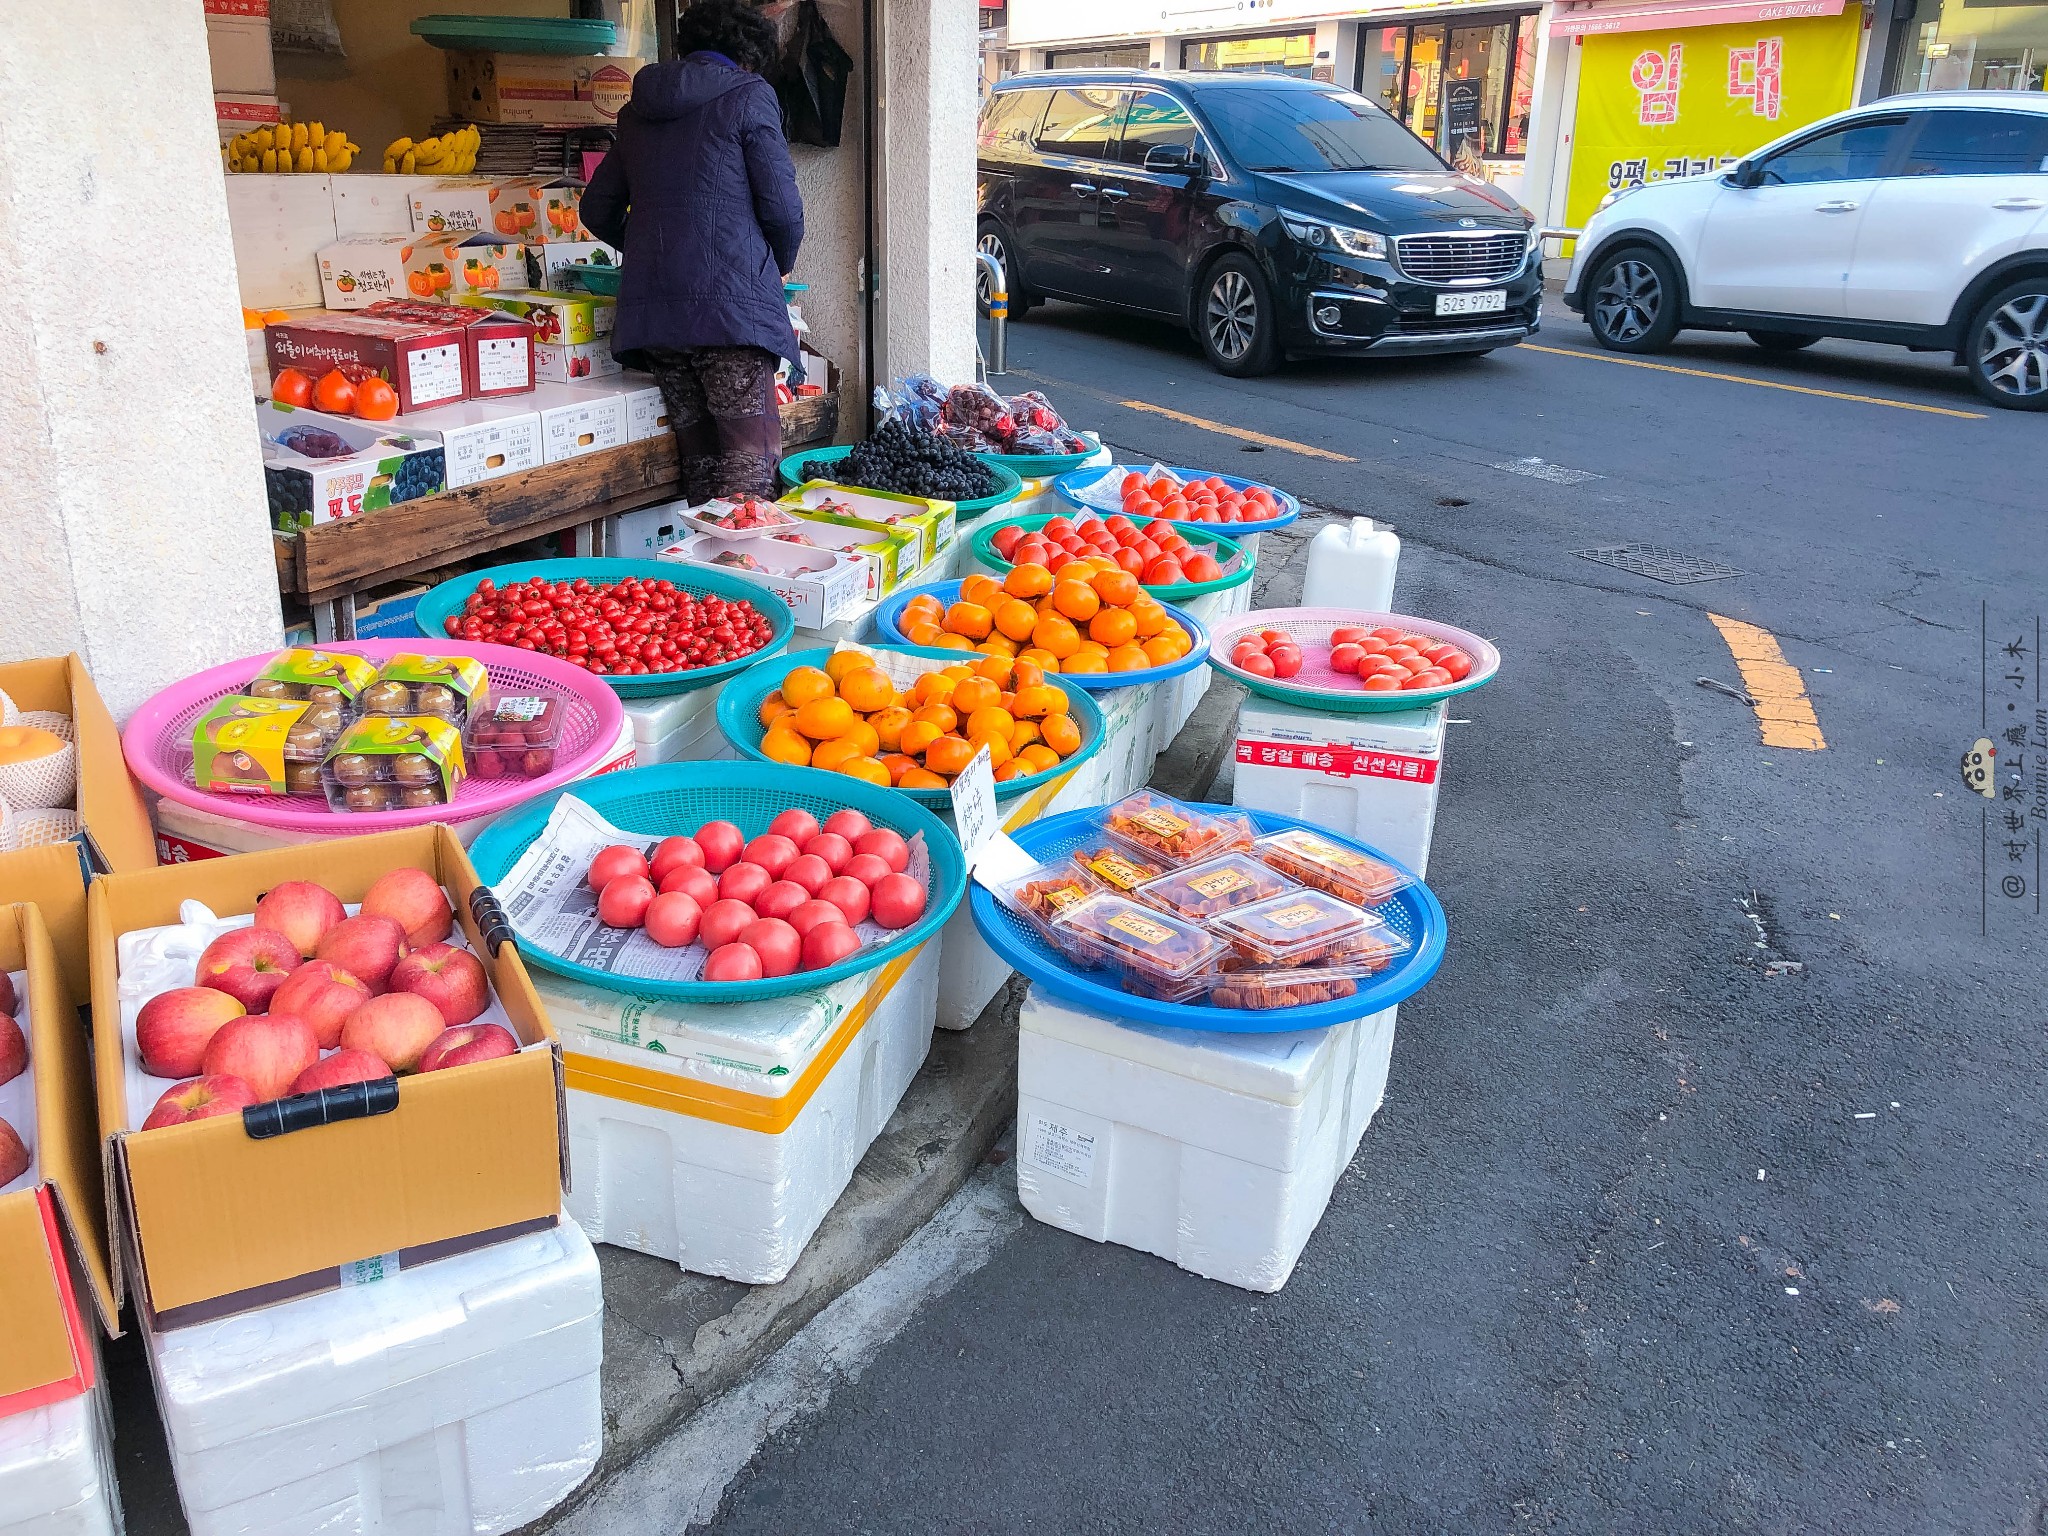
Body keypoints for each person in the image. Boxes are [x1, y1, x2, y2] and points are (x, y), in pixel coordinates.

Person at [582, 0, 803, 503]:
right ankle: (740, 578)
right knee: (748, 480)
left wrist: (649, 248)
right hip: (730, 317)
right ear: (749, 57)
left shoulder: (637, 111)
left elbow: (597, 208)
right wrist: (777, 263)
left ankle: (701, 581)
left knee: (703, 474)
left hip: (659, 322)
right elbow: (783, 209)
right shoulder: (749, 95)